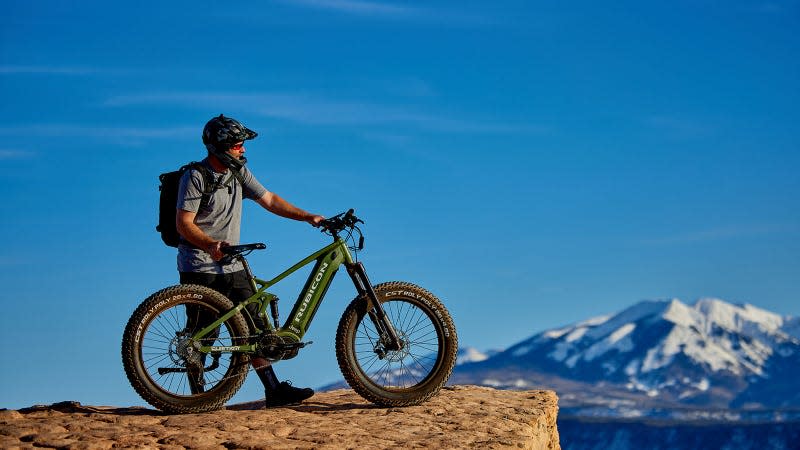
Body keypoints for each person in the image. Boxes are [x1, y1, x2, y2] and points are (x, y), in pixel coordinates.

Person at [175, 114, 324, 407]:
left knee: (256, 328)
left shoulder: (239, 173)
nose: (243, 151)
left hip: (232, 263)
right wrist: (210, 244)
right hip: (200, 266)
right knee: (203, 334)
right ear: (221, 147)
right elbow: (183, 223)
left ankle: (274, 390)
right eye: (238, 146)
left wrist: (307, 216)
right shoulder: (195, 177)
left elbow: (269, 200)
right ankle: (199, 397)